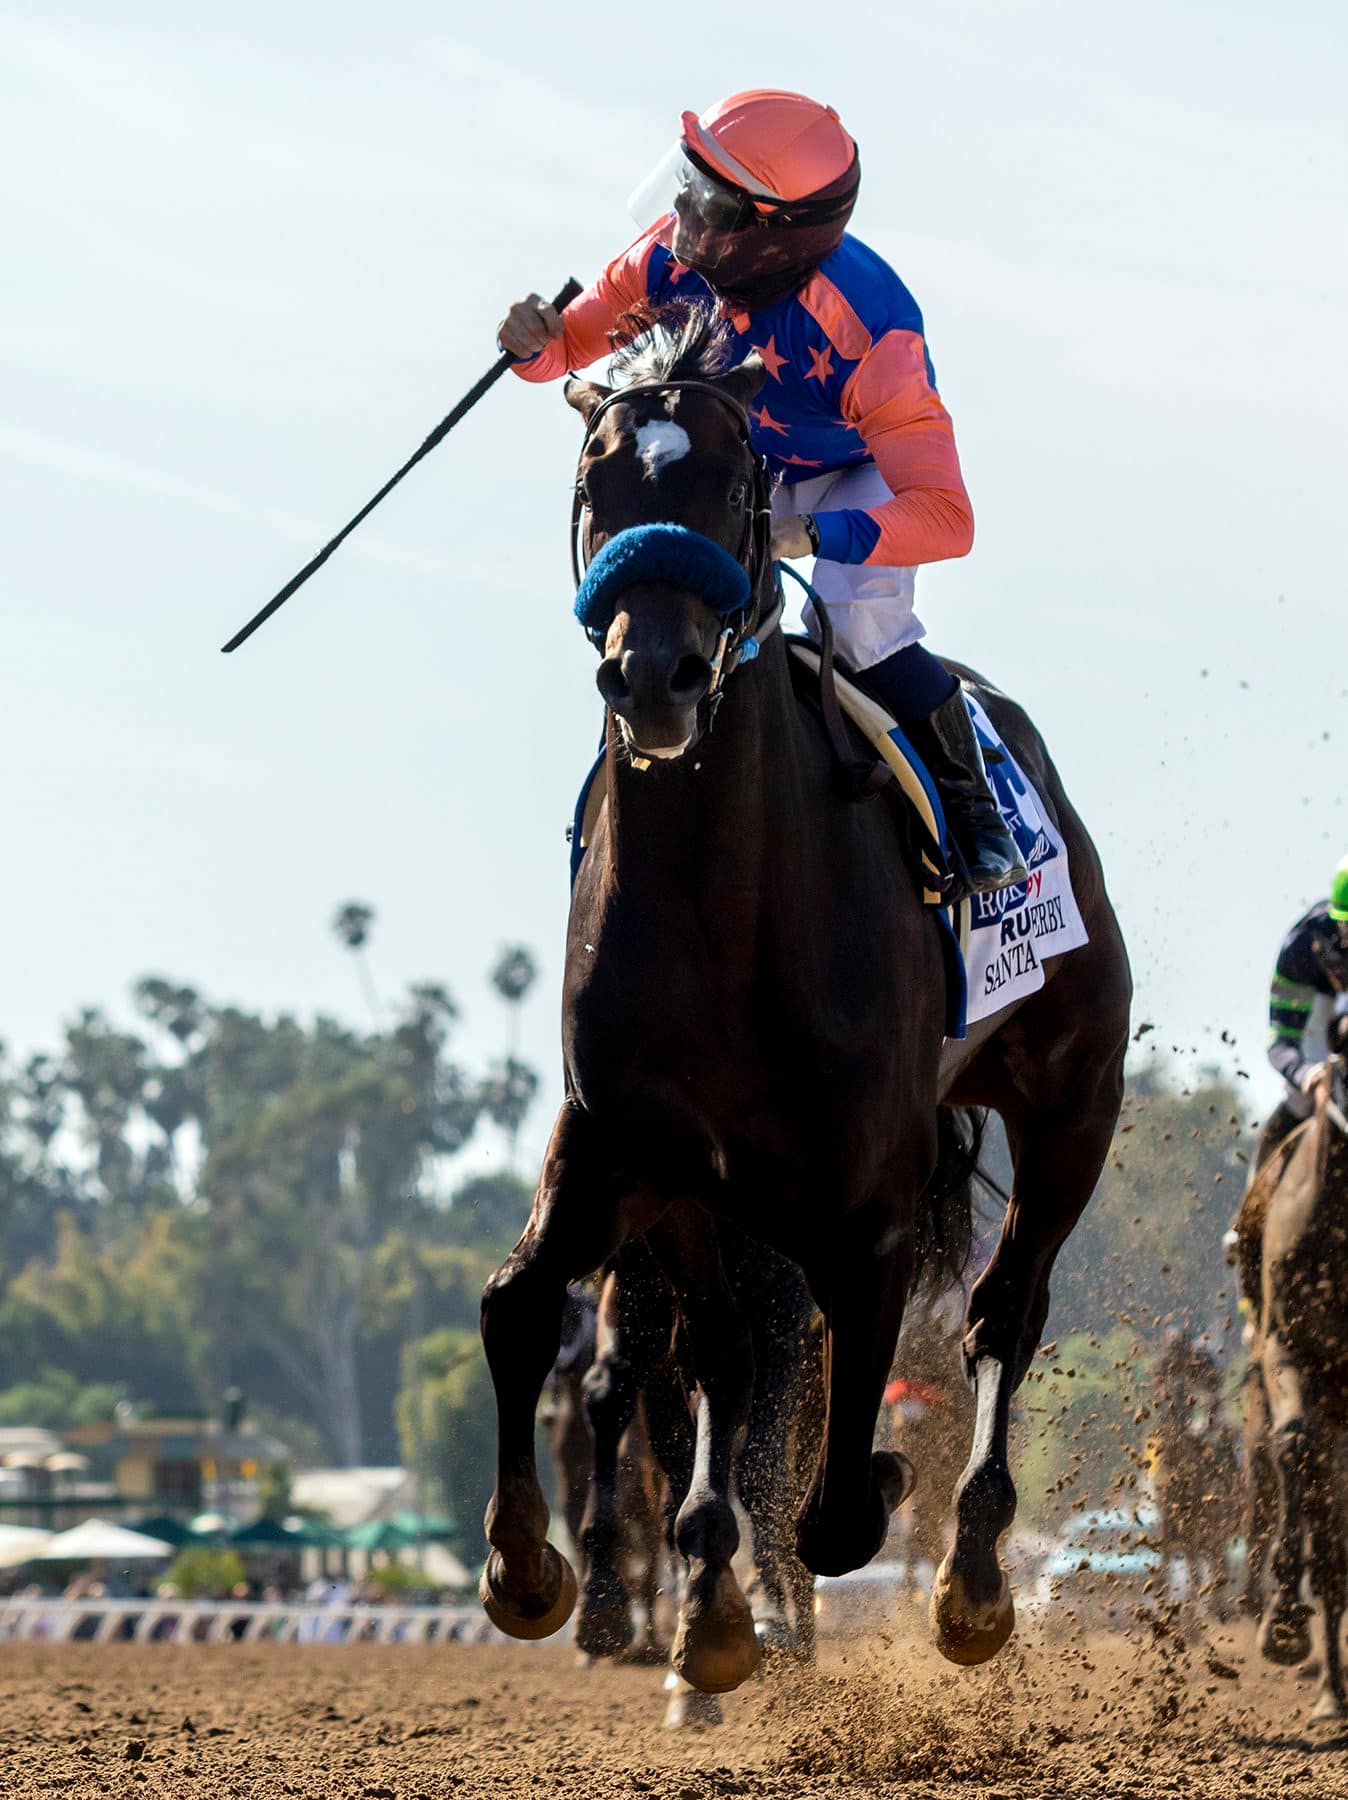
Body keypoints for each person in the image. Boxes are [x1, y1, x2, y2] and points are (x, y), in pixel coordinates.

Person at [497, 89, 1026, 898]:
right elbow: (568, 350)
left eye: (708, 198)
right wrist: (530, 340)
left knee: (859, 622)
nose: (681, 208)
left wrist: (816, 538)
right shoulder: (667, 261)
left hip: (856, 478)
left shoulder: (874, 333)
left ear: (773, 236)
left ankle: (974, 807)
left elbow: (949, 520)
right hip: (747, 463)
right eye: (688, 178)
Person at [1255, 855, 1348, 1167]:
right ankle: (1255, 1206)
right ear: (1339, 921)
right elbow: (1279, 1043)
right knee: (1300, 1100)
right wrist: (1307, 1075)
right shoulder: (1301, 949)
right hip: (1317, 1033)